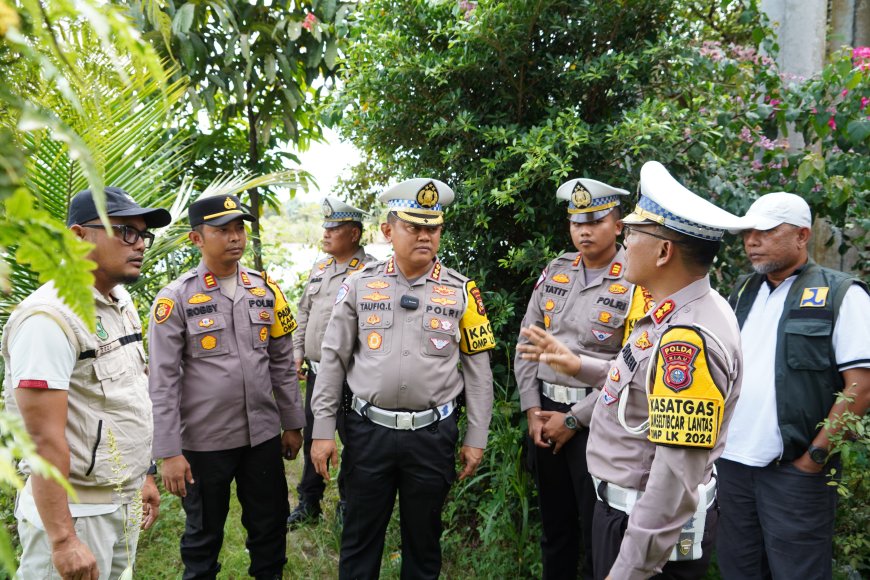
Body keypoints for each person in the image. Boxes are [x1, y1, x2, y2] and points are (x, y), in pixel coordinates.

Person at [518, 161, 745, 580]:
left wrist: (628, 570)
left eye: (635, 233)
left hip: (641, 528)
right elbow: (636, 382)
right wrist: (577, 365)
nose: (627, 243)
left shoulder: (688, 341)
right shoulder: (671, 313)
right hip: (624, 513)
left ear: (664, 251)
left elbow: (674, 477)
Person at [310, 178, 495, 579]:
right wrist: (323, 429)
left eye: (433, 228)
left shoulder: (463, 292)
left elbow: (479, 373)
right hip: (368, 432)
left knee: (424, 543)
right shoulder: (358, 285)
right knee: (359, 540)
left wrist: (475, 438)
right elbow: (332, 360)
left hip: (432, 437)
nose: (425, 236)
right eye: (414, 226)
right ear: (388, 230)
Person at [2, 187, 168, 579]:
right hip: (76, 514)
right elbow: (43, 442)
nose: (140, 244)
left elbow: (125, 399)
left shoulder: (118, 301)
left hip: (119, 503)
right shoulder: (49, 319)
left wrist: (143, 474)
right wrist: (62, 540)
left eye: (143, 234)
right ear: (78, 236)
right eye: (126, 231)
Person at [148, 194, 304, 580]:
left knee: (269, 528)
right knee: (203, 535)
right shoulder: (176, 298)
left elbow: (283, 363)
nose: (235, 237)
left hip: (262, 436)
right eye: (223, 230)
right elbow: (163, 380)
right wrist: (168, 452)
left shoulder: (265, 290)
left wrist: (293, 423)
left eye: (240, 228)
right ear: (196, 239)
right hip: (204, 443)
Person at [716, 192, 870, 580]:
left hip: (793, 472)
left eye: (765, 231)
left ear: (802, 235)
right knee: (739, 571)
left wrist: (813, 459)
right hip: (732, 467)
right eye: (748, 231)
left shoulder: (841, 294)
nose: (752, 240)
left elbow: (861, 387)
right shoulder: (743, 291)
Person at [514, 177, 650, 579]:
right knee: (554, 527)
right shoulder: (556, 271)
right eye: (576, 223)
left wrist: (575, 419)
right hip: (545, 416)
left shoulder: (637, 278)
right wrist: (532, 409)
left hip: (600, 421)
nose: (584, 231)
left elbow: (634, 365)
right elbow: (527, 342)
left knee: (598, 531)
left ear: (619, 225)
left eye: (595, 221)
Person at [289, 197, 375, 527]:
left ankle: (348, 506)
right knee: (314, 435)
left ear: (353, 234)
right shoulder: (320, 268)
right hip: (316, 373)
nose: (326, 234)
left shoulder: (370, 271)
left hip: (352, 376)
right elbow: (304, 312)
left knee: (353, 440)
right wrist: (298, 352)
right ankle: (309, 502)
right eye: (324, 227)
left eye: (334, 228)